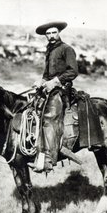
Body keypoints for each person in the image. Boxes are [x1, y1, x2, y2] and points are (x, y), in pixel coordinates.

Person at [29, 21, 78, 172]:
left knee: (49, 118)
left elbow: (73, 72)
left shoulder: (66, 49)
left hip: (62, 90)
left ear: (59, 33)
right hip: (50, 89)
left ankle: (49, 160)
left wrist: (55, 81)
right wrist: (41, 81)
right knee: (32, 109)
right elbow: (46, 74)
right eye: (48, 34)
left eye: (53, 32)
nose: (51, 36)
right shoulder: (49, 51)